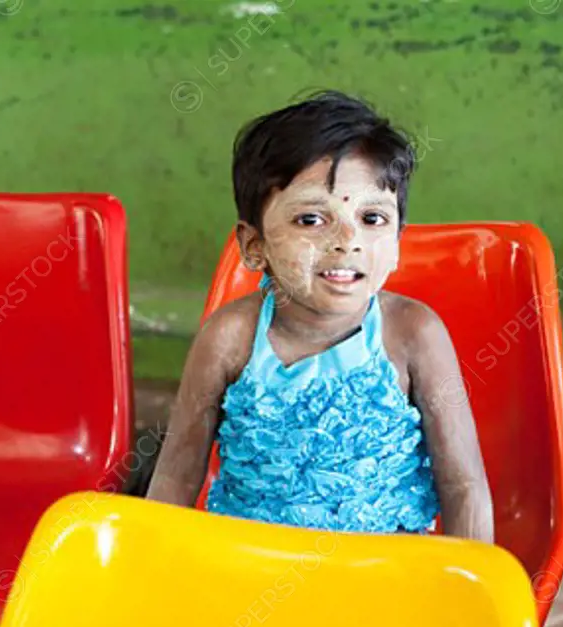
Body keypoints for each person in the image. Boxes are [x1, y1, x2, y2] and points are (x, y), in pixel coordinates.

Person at [146, 90, 494, 541]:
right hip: (250, 573)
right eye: (311, 220)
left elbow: (463, 486)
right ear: (255, 247)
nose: (347, 241)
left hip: (388, 578)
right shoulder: (230, 338)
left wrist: (468, 596)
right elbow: (175, 477)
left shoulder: (413, 334)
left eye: (372, 218)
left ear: (397, 241)